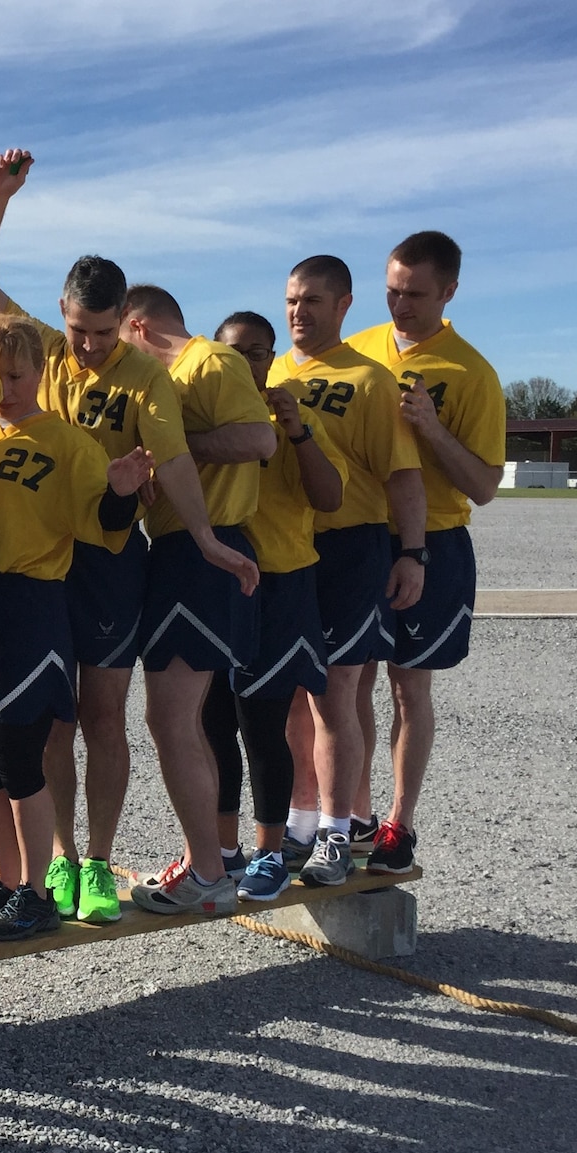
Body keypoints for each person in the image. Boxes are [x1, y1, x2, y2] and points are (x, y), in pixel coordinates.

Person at [0, 148, 187, 924]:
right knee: (46, 720)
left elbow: (172, 463)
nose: (83, 345)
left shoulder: (144, 378)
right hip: (46, 560)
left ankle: (96, 861)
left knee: (103, 717)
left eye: (97, 333)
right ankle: (56, 862)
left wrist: (210, 539)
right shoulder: (44, 356)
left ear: (125, 322)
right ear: (61, 315)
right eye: (75, 329)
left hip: (111, 560)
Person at [0, 315, 151, 941]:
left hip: (32, 600)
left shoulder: (69, 444)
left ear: (41, 371)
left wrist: (121, 493)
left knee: (22, 754)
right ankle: (8, 879)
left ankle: (40, 894)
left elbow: (102, 526)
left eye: (16, 375)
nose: (6, 387)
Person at [346, 231, 504, 872]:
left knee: (409, 688)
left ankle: (398, 823)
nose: (399, 305)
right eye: (391, 291)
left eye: (414, 294)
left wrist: (434, 431)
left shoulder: (471, 371)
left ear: (449, 292)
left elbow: (486, 485)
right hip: (358, 536)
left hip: (433, 538)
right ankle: (349, 816)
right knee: (344, 683)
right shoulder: (356, 351)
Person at [264, 255, 424, 888]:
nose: (299, 312)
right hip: (286, 550)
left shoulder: (370, 379)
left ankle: (338, 831)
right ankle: (302, 822)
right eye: (292, 301)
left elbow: (403, 476)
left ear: (343, 306)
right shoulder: (271, 370)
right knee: (294, 694)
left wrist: (412, 554)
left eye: (312, 301)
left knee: (336, 691)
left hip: (351, 548)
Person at [119, 286, 268, 916]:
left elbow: (259, 440)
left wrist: (172, 451)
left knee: (169, 720)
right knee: (189, 719)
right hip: (183, 552)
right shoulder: (184, 370)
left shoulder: (207, 362)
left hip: (201, 552)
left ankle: (208, 871)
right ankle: (206, 857)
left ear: (138, 326)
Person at [206, 311, 346, 903]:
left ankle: (270, 854)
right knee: (211, 721)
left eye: (261, 353)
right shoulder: (204, 416)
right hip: (215, 578)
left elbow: (331, 498)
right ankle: (221, 849)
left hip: (282, 582)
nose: (250, 363)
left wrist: (298, 433)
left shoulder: (295, 416)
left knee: (262, 723)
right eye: (236, 352)